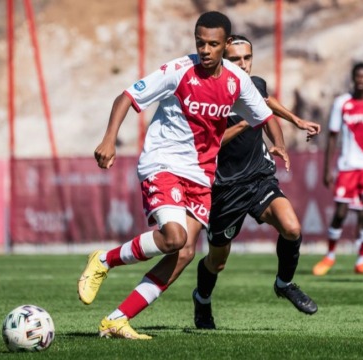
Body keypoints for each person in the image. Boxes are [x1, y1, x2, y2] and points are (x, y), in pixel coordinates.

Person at [77, 11, 279, 340]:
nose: (205, 50)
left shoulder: (236, 81)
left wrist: (280, 143)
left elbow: (265, 114)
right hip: (164, 162)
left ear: (226, 44)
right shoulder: (178, 71)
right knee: (174, 238)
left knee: (184, 253)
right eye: (200, 43)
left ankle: (117, 319)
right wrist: (109, 140)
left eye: (213, 44)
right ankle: (104, 260)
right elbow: (125, 97)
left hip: (201, 174)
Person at [191, 34, 320, 330]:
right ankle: (202, 298)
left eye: (247, 58)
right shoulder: (207, 94)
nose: (243, 65)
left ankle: (284, 283)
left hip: (259, 177)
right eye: (235, 60)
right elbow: (210, 144)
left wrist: (287, 131)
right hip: (224, 188)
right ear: (223, 58)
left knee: (292, 227)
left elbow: (265, 103)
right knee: (217, 261)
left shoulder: (253, 84)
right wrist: (244, 122)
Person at [312, 62, 363, 276]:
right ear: (353, 78)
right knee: (341, 213)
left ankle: (362, 260)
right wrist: (327, 169)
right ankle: (330, 256)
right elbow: (332, 137)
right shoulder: (341, 103)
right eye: (358, 76)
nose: (361, 80)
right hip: (347, 166)